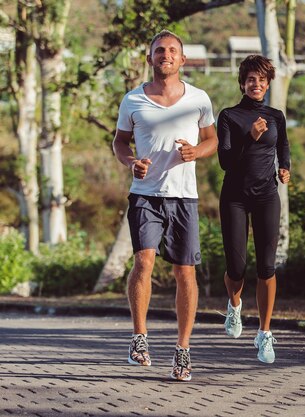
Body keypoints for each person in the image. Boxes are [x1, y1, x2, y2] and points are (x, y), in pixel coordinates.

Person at [112, 30, 218, 381]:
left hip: (184, 196)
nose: (166, 55)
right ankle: (139, 338)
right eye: (159, 50)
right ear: (150, 58)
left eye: (173, 50)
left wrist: (195, 153)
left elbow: (212, 140)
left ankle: (183, 350)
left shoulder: (199, 98)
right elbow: (120, 142)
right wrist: (131, 163)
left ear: (182, 59)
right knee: (143, 261)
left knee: (184, 272)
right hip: (145, 193)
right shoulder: (132, 100)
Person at [217, 55, 291, 364]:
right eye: (250, 79)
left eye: (261, 79)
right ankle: (234, 305)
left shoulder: (276, 115)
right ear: (242, 83)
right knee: (236, 268)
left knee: (266, 266)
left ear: (268, 83)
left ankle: (264, 333)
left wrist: (285, 167)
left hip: (266, 195)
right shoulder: (229, 116)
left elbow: (283, 146)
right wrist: (250, 137)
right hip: (234, 196)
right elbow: (225, 161)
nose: (256, 84)